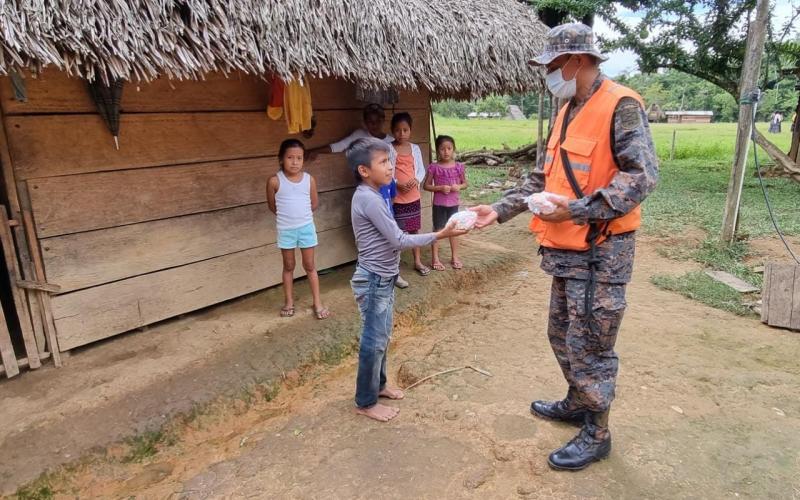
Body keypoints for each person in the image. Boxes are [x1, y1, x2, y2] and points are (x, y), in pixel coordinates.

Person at [471, 23, 658, 470]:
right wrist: (499, 210)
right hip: (567, 249)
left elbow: (641, 177)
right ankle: (578, 401)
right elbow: (543, 178)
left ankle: (598, 431)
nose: (549, 74)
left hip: (601, 251)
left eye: (553, 65)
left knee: (590, 342)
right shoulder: (567, 110)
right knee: (561, 332)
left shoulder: (621, 105)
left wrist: (576, 211)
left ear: (577, 61)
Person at [346, 137, 467, 422]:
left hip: (383, 278)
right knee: (373, 341)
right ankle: (365, 401)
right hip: (374, 280)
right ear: (364, 170)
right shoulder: (367, 199)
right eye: (383, 162)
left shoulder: (374, 194)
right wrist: (440, 234)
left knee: (381, 337)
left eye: (390, 161)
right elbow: (398, 239)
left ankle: (380, 385)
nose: (391, 167)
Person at [308, 104, 411, 289]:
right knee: (370, 235)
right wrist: (315, 150)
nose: (374, 124)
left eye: (377, 121)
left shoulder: (389, 141)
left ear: (383, 121)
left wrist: (393, 192)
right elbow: (338, 146)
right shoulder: (359, 136)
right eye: (370, 121)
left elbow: (393, 166)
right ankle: (372, 274)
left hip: (387, 190)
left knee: (390, 234)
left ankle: (395, 274)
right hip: (368, 190)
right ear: (365, 122)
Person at [266, 139, 330, 320]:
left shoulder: (309, 180)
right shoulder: (274, 181)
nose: (295, 162)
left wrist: (301, 217)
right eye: (290, 157)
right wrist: (289, 218)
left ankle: (317, 302)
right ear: (281, 159)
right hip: (286, 230)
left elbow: (314, 203)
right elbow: (273, 206)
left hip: (306, 229)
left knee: (310, 265)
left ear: (304, 160)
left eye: (299, 158)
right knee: (288, 266)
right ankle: (289, 302)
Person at [390, 112, 430, 276]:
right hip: (397, 198)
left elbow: (421, 169)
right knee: (397, 233)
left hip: (413, 196)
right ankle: (394, 267)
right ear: (392, 131)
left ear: (410, 131)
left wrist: (416, 179)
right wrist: (397, 183)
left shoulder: (415, 148)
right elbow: (387, 171)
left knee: (414, 230)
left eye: (405, 130)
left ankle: (417, 261)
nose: (402, 134)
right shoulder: (389, 148)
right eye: (398, 130)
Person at [424, 135, 468, 270]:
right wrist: (440, 188)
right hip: (439, 204)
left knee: (453, 230)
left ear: (453, 149)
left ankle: (455, 256)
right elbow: (426, 186)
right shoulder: (434, 167)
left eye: (449, 148)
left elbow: (465, 183)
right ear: (437, 150)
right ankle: (435, 259)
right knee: (437, 230)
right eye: (442, 149)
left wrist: (458, 187)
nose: (446, 152)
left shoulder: (458, 167)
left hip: (454, 204)